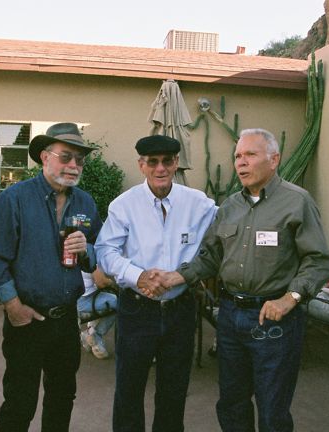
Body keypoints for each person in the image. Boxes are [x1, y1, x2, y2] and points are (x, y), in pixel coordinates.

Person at [161, 128, 329, 431]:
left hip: (274, 319)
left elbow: (319, 261)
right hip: (230, 317)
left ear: (274, 159)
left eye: (250, 155)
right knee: (231, 403)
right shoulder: (230, 206)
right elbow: (211, 256)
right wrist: (176, 276)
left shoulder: (297, 202)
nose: (240, 162)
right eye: (237, 156)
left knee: (272, 410)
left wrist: (290, 298)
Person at [0, 122, 102, 431]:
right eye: (66, 156)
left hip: (65, 322)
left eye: (79, 159)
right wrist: (13, 307)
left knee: (62, 400)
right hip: (27, 319)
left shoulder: (85, 203)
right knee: (19, 404)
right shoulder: (15, 199)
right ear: (44, 157)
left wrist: (87, 249)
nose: (73, 165)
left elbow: (97, 257)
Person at [94, 134, 217, 432]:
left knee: (174, 392)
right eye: (153, 162)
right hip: (137, 310)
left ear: (176, 163)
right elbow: (105, 251)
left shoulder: (199, 204)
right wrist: (140, 276)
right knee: (128, 390)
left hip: (180, 309)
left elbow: (218, 243)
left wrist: (182, 275)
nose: (160, 168)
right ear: (142, 165)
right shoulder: (124, 205)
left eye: (167, 161)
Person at [78, 268, 118, 360]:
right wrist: (111, 282)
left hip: (71, 300)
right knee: (117, 302)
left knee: (105, 297)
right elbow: (101, 283)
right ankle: (95, 334)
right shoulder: (91, 260)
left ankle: (90, 332)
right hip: (83, 303)